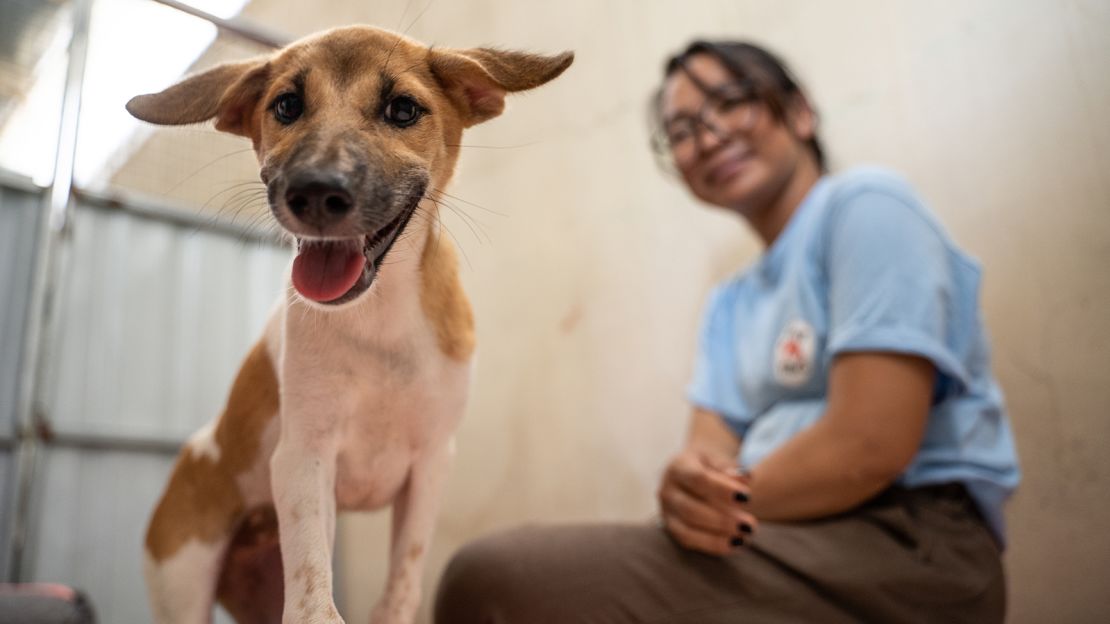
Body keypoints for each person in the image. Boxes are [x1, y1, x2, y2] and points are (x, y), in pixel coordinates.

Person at [433, 40, 1020, 623]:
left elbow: (870, 445)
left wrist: (710, 505)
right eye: (682, 130)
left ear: (800, 112)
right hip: (768, 535)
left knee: (493, 580)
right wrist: (689, 492)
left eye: (730, 101)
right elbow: (706, 459)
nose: (707, 136)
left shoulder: (865, 204)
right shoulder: (728, 302)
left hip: (904, 541)